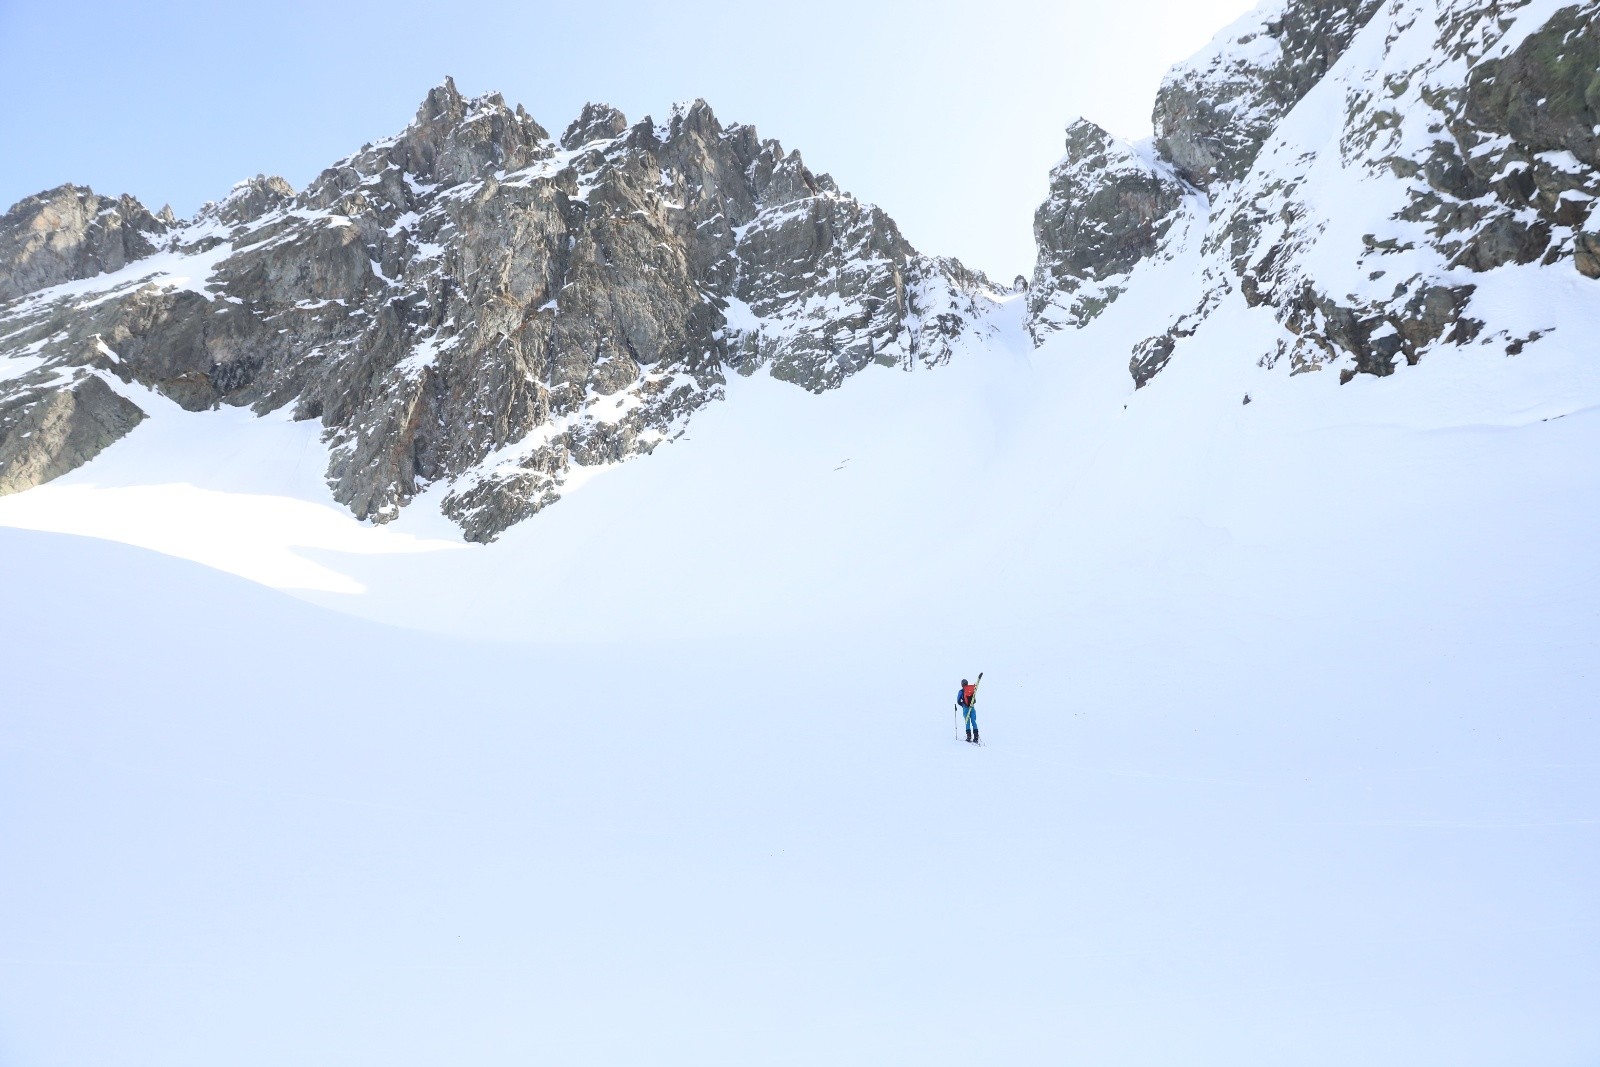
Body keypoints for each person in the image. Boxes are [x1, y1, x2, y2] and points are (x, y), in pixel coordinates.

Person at [956, 677, 980, 743]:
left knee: (967, 722)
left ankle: (969, 737)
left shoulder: (961, 691)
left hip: (966, 708)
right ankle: (976, 737)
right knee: (973, 721)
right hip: (972, 708)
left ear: (962, 685)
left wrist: (963, 705)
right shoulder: (971, 690)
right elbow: (974, 700)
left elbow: (958, 701)